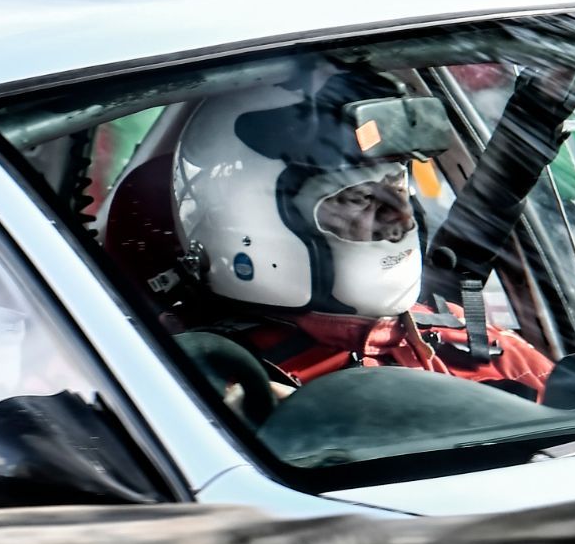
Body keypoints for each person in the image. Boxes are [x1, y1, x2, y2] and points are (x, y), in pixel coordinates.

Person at [155, 66, 554, 404]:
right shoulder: (209, 392)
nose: (400, 220)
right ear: (250, 214)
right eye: (360, 198)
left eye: (398, 191)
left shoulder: (476, 347)